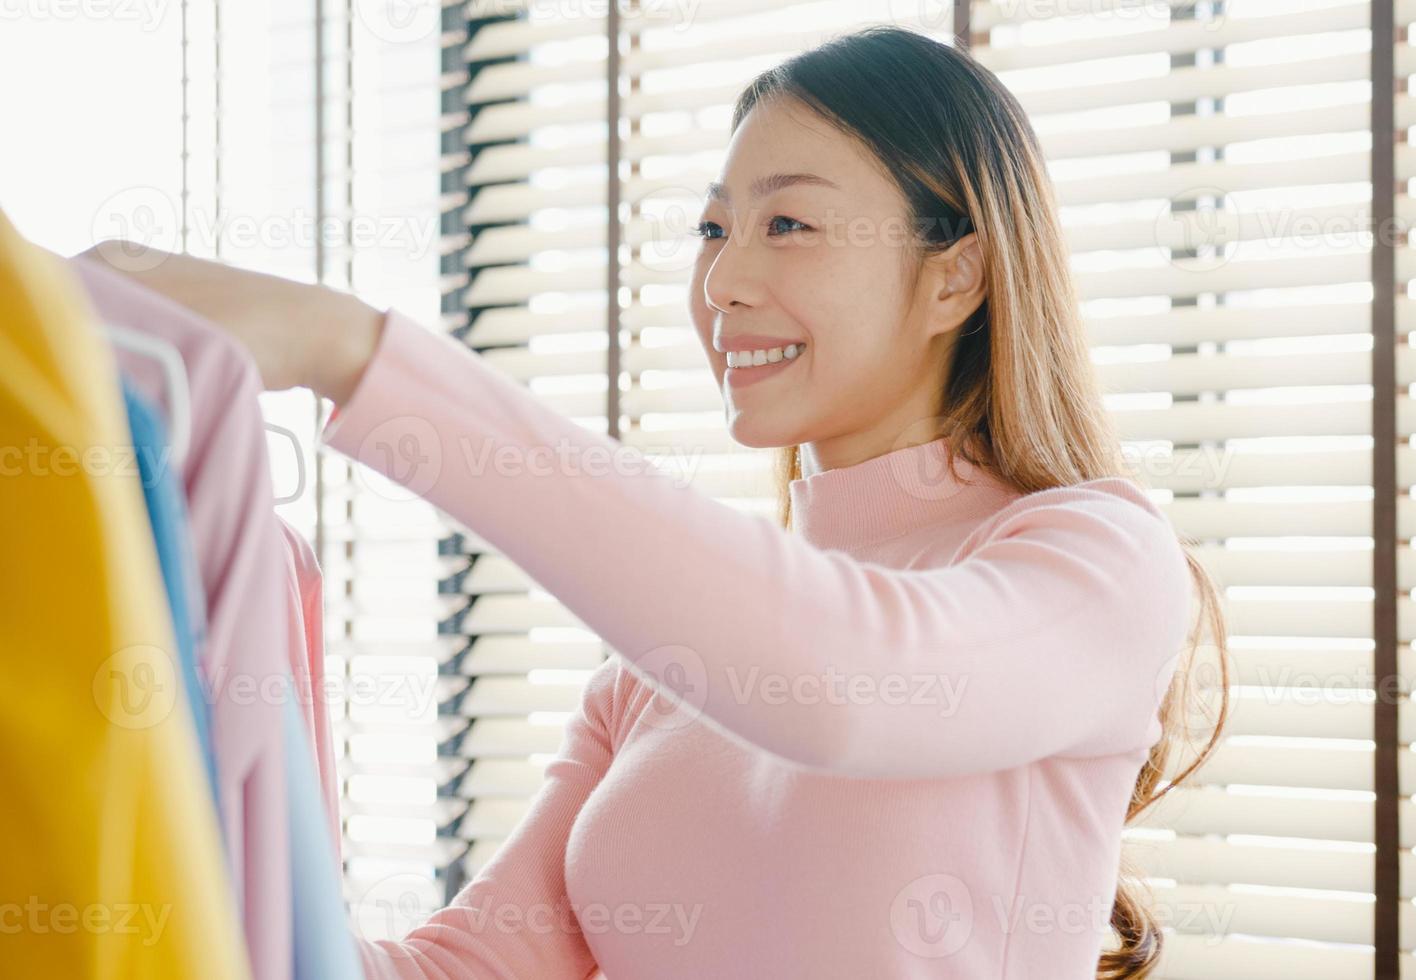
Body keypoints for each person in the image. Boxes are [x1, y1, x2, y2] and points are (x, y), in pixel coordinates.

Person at [95, 25, 1228, 980]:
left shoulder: (1096, 559)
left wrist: (349, 350)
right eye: (711, 228)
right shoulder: (651, 679)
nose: (723, 281)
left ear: (954, 276)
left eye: (786, 223)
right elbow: (460, 970)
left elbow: (843, 679)